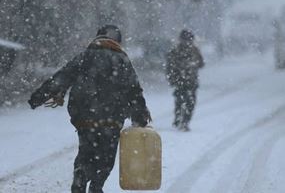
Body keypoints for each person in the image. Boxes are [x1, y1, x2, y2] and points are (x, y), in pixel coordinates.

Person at [28, 24, 151, 193]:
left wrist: (38, 97)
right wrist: (140, 115)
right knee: (106, 156)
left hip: (84, 115)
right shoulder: (122, 59)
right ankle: (96, 186)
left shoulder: (84, 56)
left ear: (98, 38)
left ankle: (80, 178)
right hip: (112, 117)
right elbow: (133, 90)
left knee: (86, 150)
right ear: (118, 41)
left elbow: (62, 77)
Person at [165, 29, 204, 132]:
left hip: (188, 82)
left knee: (186, 102)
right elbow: (170, 66)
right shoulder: (178, 51)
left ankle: (182, 121)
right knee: (183, 101)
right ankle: (181, 120)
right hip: (183, 81)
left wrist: (192, 65)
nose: (187, 42)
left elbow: (201, 63)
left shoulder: (192, 50)